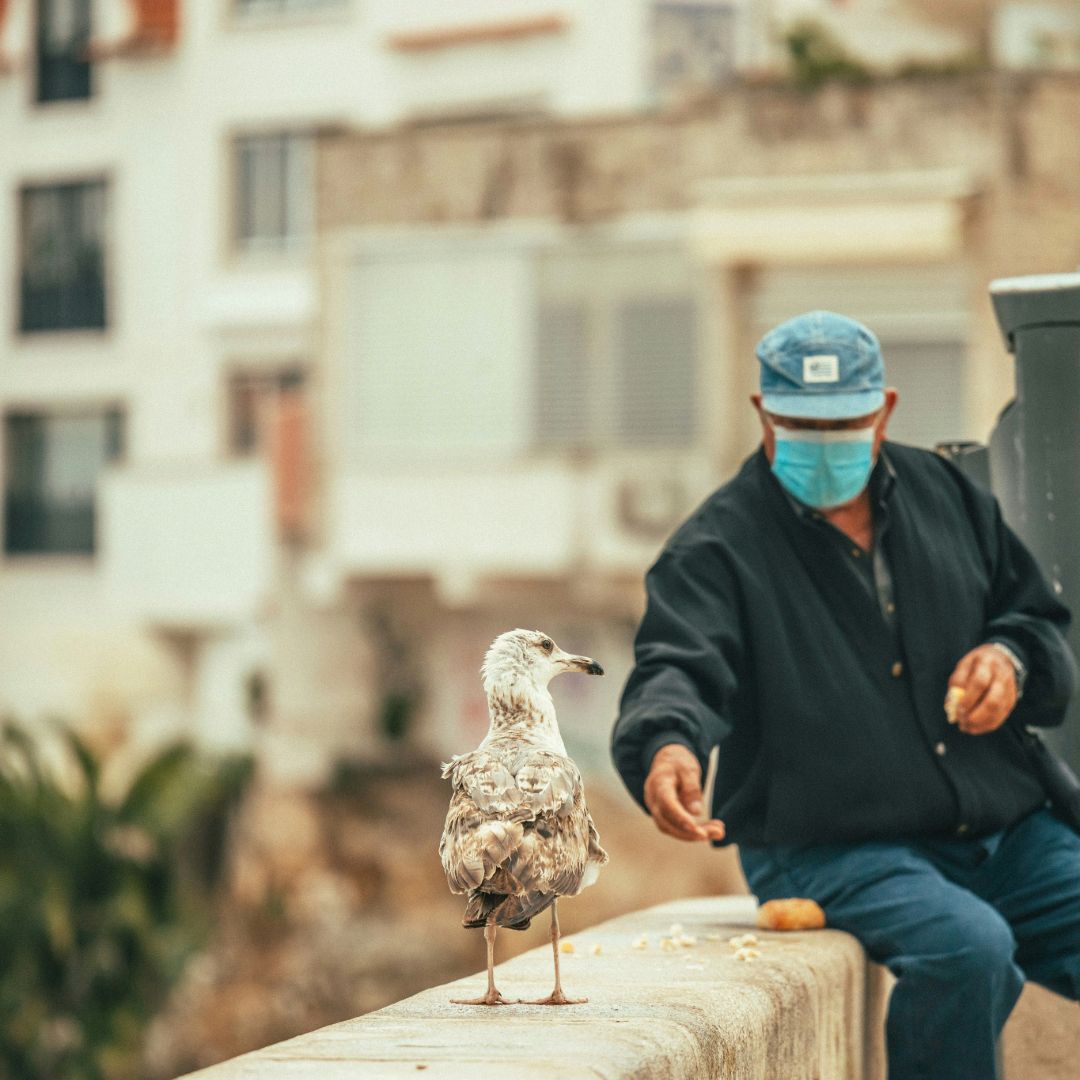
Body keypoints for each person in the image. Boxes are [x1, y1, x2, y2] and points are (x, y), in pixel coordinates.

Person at [611, 310, 1080, 1080]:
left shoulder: (947, 495)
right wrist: (666, 745)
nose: (824, 445)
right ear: (763, 416)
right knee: (969, 950)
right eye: (800, 425)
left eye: (845, 424)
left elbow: (1034, 619)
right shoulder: (715, 547)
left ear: (885, 410)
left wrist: (1010, 659)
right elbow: (679, 666)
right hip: (829, 846)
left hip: (1002, 827)